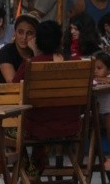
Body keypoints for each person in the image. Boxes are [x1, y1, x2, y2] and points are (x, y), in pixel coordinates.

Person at [13, 20, 75, 175]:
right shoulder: (75, 63)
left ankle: (31, 173)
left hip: (37, 128)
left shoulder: (30, 64)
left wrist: (35, 54)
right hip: (71, 126)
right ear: (60, 40)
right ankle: (35, 172)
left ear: (36, 41)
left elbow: (13, 89)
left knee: (5, 130)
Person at [0, 13, 39, 83]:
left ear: (36, 36)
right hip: (7, 93)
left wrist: (36, 52)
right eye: (20, 32)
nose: (24, 37)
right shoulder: (6, 51)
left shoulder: (38, 51)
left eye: (29, 33)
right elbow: (12, 82)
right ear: (15, 33)